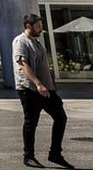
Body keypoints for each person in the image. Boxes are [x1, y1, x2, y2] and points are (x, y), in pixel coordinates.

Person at [14, 13, 72, 169]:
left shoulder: (37, 42)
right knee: (31, 123)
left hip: (47, 89)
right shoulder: (21, 41)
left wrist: (50, 86)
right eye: (38, 26)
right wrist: (38, 84)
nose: (41, 29)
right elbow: (23, 64)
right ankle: (28, 157)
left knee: (61, 117)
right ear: (28, 26)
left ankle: (55, 154)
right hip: (30, 89)